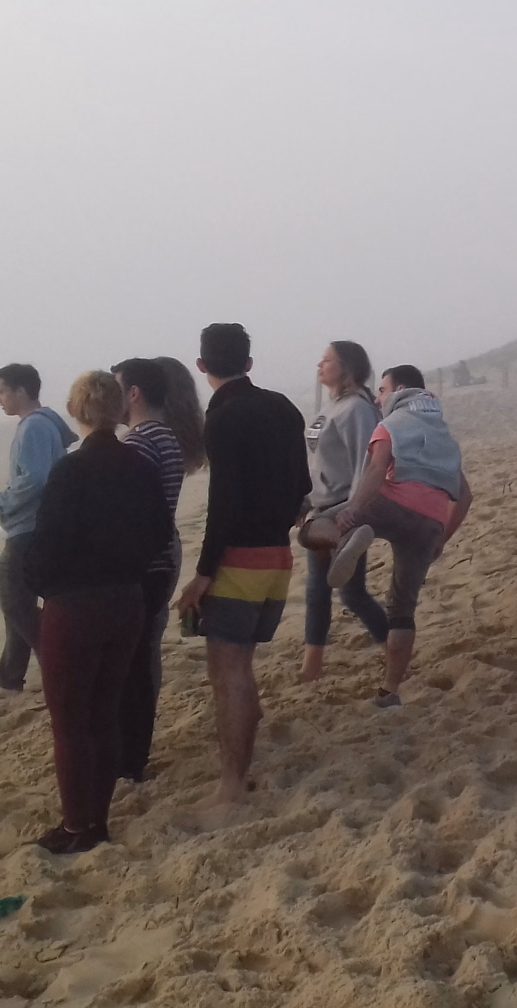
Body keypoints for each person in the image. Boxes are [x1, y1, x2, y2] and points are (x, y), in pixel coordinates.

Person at [25, 372, 171, 853]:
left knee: (70, 720)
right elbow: (158, 534)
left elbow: (47, 544)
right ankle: (98, 820)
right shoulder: (140, 466)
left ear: (74, 410)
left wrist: (41, 587)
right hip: (126, 596)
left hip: (75, 604)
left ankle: (74, 826)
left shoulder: (70, 471)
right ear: (119, 409)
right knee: (105, 711)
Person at [175, 324, 310, 812]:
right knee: (241, 671)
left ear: (202, 365)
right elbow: (301, 485)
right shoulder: (283, 407)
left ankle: (231, 786)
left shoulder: (223, 417)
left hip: (239, 561)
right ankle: (239, 776)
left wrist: (204, 573)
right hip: (277, 558)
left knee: (227, 674)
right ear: (249, 364)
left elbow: (224, 501)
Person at [307, 365, 472, 707]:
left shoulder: (391, 424)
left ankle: (341, 541)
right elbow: (465, 496)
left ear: (398, 390)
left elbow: (377, 468)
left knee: (311, 529)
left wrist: (353, 508)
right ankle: (390, 691)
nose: (378, 397)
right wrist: (442, 537)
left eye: (382, 390)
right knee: (402, 608)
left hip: (390, 502)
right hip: (430, 521)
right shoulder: (443, 436)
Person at [111, 357, 207, 783]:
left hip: (146, 561)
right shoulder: (164, 436)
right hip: (163, 554)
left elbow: (131, 513)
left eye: (117, 387)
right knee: (143, 653)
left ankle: (130, 755)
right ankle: (135, 750)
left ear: (134, 393)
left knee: (132, 659)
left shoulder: (139, 442)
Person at [298, 341, 390, 685]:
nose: (320, 365)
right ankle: (312, 665)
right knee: (320, 591)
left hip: (342, 510)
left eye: (327, 360)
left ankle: (393, 650)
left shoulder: (357, 410)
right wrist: (305, 500)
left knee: (350, 593)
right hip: (321, 505)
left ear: (347, 367)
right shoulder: (330, 408)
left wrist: (351, 513)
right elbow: (321, 462)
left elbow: (365, 468)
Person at [0, 363, 76, 692]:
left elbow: (34, 479)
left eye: (1, 391)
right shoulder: (44, 424)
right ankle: (9, 680)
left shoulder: (34, 426)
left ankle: (58, 666)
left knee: (14, 601)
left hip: (28, 530)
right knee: (16, 607)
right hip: (41, 527)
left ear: (21, 391)